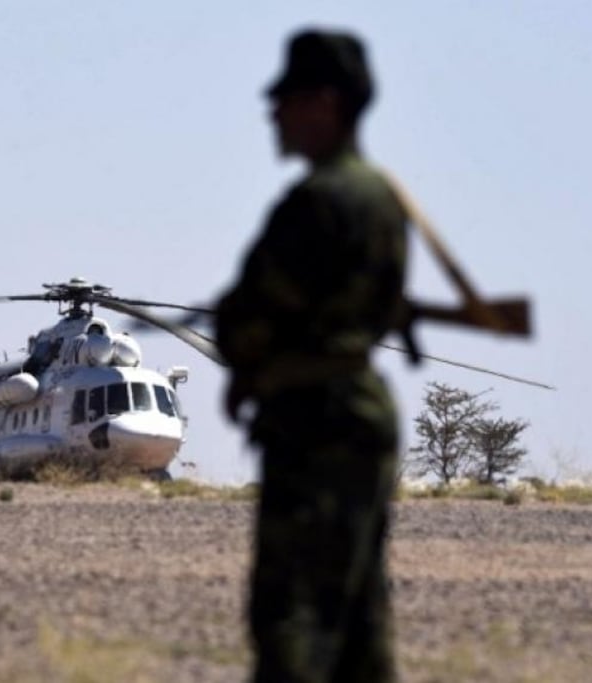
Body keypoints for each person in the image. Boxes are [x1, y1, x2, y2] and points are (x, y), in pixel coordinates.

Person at [214, 29, 407, 682]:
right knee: (358, 619)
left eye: (287, 100)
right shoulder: (382, 197)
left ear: (324, 103)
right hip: (361, 414)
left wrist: (239, 345)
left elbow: (248, 317)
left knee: (292, 614)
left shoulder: (316, 203)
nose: (274, 115)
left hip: (314, 422)